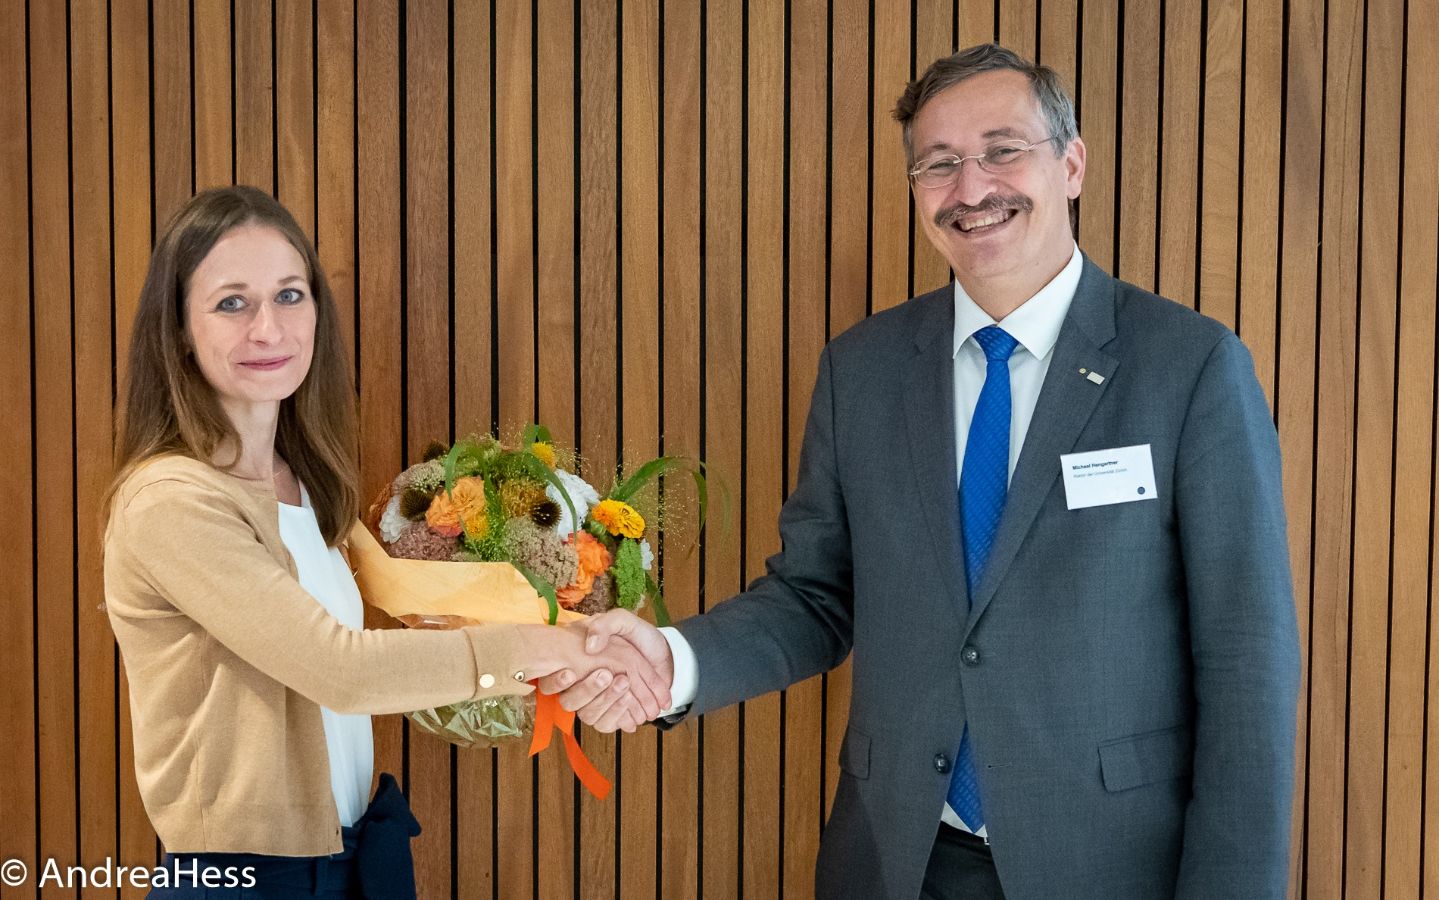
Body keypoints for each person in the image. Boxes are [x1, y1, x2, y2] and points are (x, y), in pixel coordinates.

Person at [545, 43, 1301, 900]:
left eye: (1002, 150)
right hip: (901, 859)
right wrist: (671, 659)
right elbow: (813, 596)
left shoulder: (1189, 366)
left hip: (1109, 862)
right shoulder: (861, 371)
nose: (971, 188)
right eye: (938, 165)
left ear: (1072, 164)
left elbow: (1246, 654)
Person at [102, 185, 667, 899]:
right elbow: (343, 671)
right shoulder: (171, 505)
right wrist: (566, 648)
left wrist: (575, 631)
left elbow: (411, 632)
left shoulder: (302, 481)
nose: (269, 329)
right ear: (179, 329)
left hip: (347, 856)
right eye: (231, 303)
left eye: (289, 295)